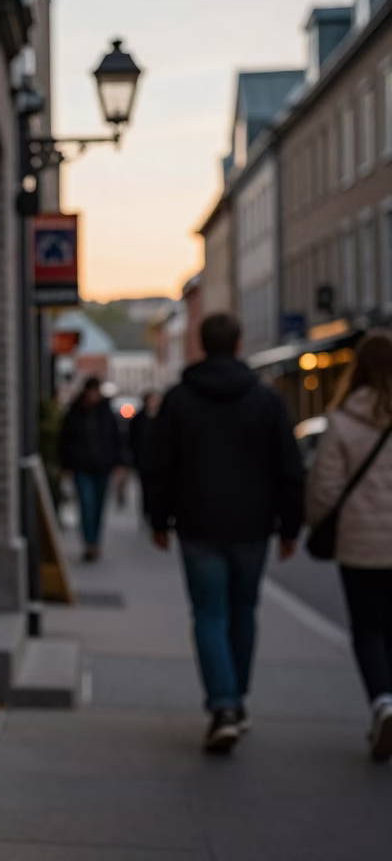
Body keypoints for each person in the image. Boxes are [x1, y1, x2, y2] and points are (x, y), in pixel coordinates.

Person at [146, 313, 303, 754]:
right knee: (243, 611)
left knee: (209, 614)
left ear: (200, 344)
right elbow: (288, 468)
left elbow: (158, 465)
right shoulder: (266, 401)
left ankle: (223, 704)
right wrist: (290, 525)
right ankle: (237, 699)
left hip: (198, 523)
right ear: (238, 345)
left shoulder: (179, 400)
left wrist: (158, 520)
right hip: (252, 525)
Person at [306, 331, 392, 762]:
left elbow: (324, 488)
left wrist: (320, 522)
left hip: (360, 543)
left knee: (368, 629)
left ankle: (382, 702)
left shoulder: (341, 421)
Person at [60, 376, 124, 562]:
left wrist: (119, 462)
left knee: (99, 506)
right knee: (87, 505)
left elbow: (115, 438)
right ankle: (90, 543)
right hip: (82, 466)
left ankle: (95, 540)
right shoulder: (75, 413)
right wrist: (67, 463)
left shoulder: (105, 413)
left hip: (102, 466)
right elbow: (66, 440)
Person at [129, 390, 162, 522]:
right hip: (143, 461)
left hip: (158, 462)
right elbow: (133, 440)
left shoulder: (162, 418)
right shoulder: (138, 419)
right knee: (145, 489)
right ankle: (147, 512)